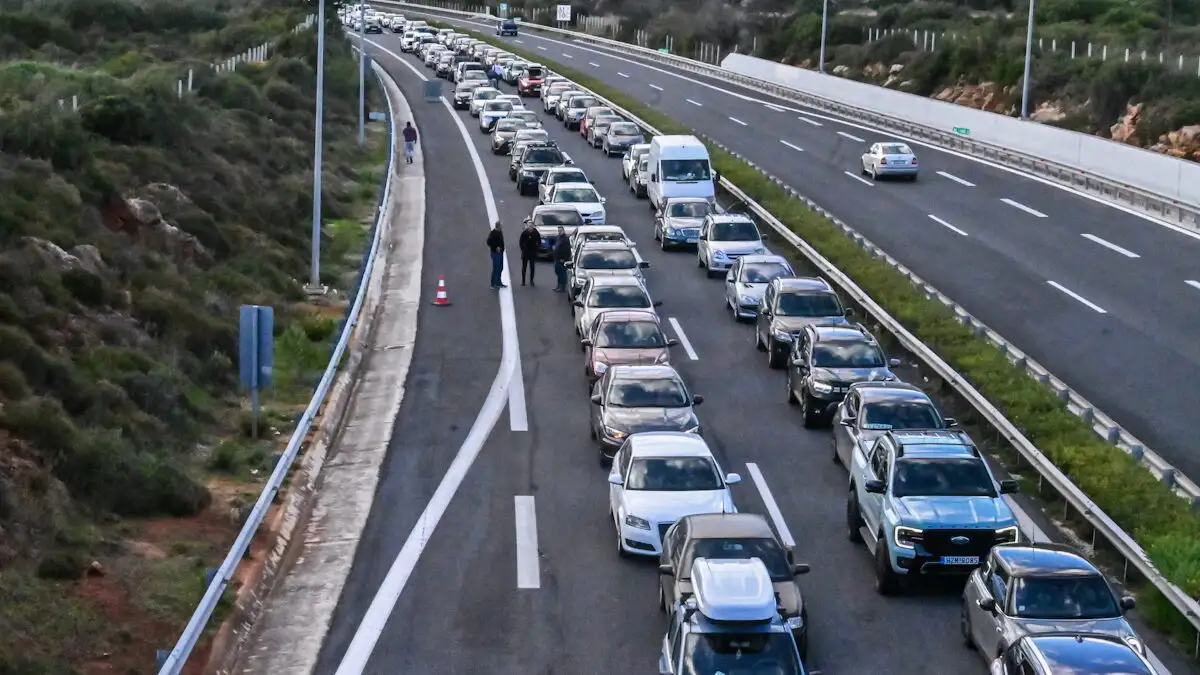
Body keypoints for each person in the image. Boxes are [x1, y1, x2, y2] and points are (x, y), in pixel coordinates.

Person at [518, 218, 539, 286]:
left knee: (532, 267)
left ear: (533, 226)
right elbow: (520, 242)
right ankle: (523, 281)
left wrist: (536, 248)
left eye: (531, 226)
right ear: (527, 226)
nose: (530, 227)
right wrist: (523, 249)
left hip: (532, 252)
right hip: (526, 253)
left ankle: (531, 281)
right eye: (529, 226)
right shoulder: (524, 233)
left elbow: (539, 241)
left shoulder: (536, 233)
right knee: (524, 267)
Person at [486, 221, 506, 290]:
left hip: (500, 253)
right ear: (498, 226)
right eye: (501, 226)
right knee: (496, 268)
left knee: (500, 268)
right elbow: (488, 242)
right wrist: (495, 247)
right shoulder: (493, 233)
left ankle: (499, 282)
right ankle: (493, 284)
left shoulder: (500, 232)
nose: (502, 227)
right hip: (495, 253)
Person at [552, 226, 571, 293]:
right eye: (558, 231)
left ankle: (562, 287)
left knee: (562, 273)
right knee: (558, 271)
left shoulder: (565, 239)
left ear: (563, 231)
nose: (559, 232)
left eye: (560, 231)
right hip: (557, 258)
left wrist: (564, 258)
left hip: (562, 259)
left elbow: (567, 250)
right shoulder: (558, 238)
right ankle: (558, 285)